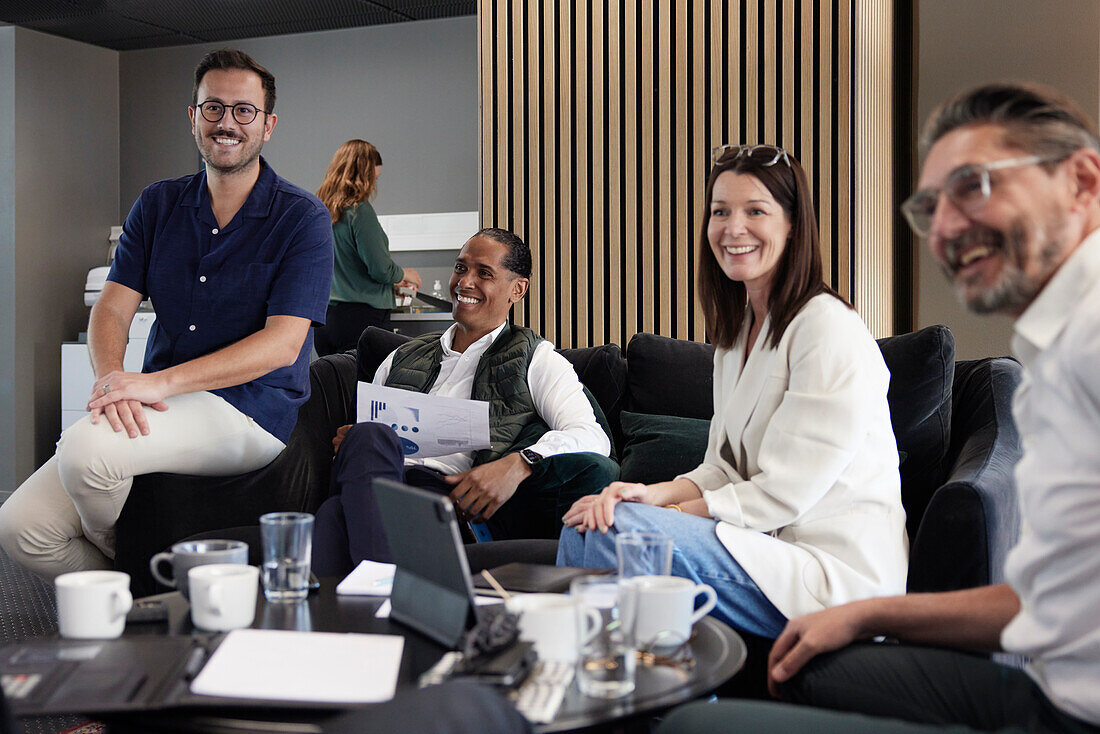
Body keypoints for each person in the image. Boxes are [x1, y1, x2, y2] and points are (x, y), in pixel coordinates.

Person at [658, 83, 1100, 734]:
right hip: (1044, 687)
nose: (945, 226)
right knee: (802, 668)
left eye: (973, 185)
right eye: (931, 205)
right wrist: (865, 617)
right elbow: (1047, 600)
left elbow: (781, 490)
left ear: (1082, 182)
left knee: (689, 727)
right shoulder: (1050, 359)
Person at [0, 49, 333, 579]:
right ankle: (140, 595)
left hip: (249, 409)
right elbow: (111, 307)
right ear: (193, 117)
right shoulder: (158, 204)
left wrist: (160, 384)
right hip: (162, 399)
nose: (227, 122)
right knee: (21, 527)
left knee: (88, 451)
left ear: (267, 125)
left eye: (244, 111)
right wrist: (113, 378)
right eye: (213, 108)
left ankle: (139, 562)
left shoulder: (302, 218)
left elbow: (281, 345)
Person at [557, 145, 908, 639]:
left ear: (793, 225)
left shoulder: (828, 331)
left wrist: (662, 513)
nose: (732, 228)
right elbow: (724, 468)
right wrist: (647, 493)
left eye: (755, 211)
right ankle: (603, 687)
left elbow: (783, 495)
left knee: (620, 529)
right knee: (587, 520)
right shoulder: (740, 334)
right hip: (761, 547)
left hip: (830, 576)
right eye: (720, 211)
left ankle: (636, 693)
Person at [311, 227, 617, 575]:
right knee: (368, 439)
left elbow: (591, 435)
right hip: (379, 479)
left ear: (518, 289)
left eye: (484, 273)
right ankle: (385, 586)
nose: (464, 282)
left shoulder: (536, 358)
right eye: (460, 268)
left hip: (445, 498)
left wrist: (519, 463)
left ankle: (358, 598)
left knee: (333, 515)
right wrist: (350, 438)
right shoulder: (399, 357)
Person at [314, 139, 421, 356]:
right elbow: (380, 269)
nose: (373, 186)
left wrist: (392, 282)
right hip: (361, 321)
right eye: (373, 178)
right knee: (365, 388)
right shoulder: (359, 212)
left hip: (325, 320)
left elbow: (344, 268)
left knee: (334, 387)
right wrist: (405, 273)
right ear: (362, 177)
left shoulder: (321, 211)